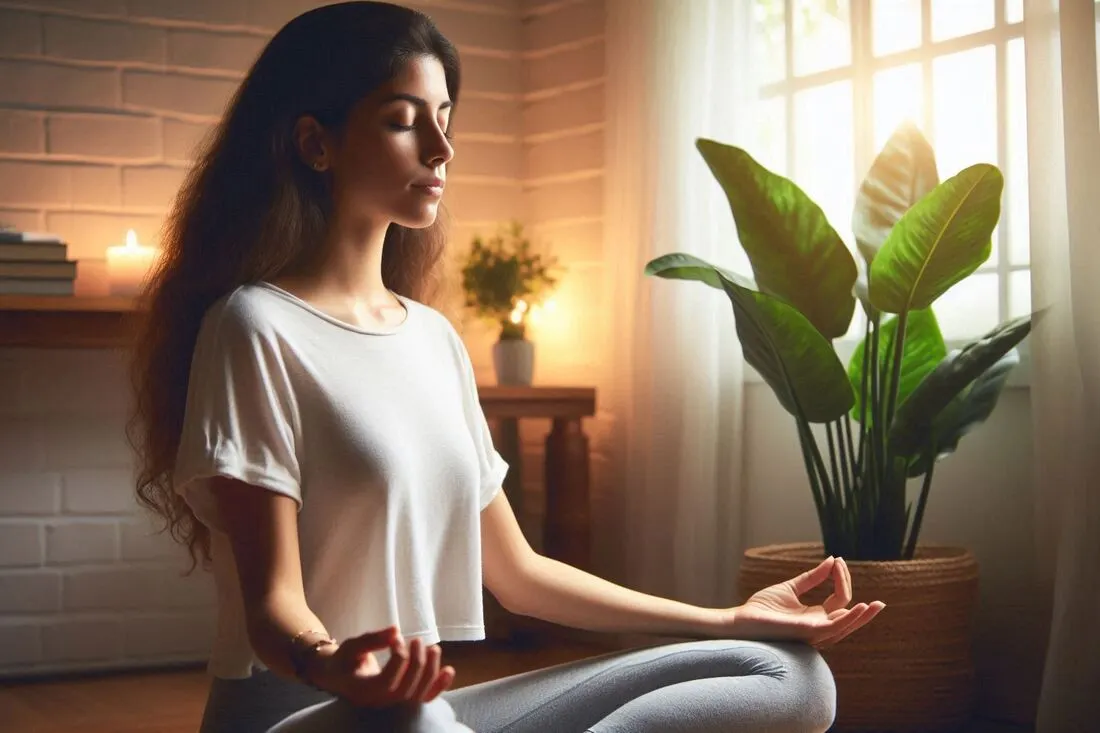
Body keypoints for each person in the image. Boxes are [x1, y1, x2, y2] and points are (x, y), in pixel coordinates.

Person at [127, 3, 885, 731]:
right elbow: (271, 606)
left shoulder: (432, 339)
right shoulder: (253, 326)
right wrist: (334, 662)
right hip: (294, 711)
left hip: (414, 713)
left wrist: (728, 617)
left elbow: (518, 572)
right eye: (403, 120)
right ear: (314, 142)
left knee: (788, 675)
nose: (440, 149)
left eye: (445, 119)